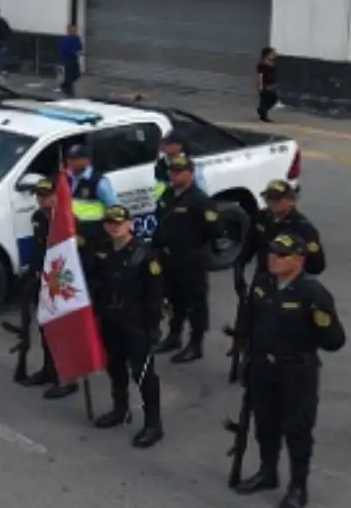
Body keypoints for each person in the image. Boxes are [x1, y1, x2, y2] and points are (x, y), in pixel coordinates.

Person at [233, 231, 346, 508]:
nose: (274, 258)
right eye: (272, 252)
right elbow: (249, 320)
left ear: (299, 260)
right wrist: (245, 355)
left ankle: (298, 487)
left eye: (282, 255)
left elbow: (334, 340)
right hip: (262, 366)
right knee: (265, 424)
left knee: (297, 429)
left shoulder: (313, 294)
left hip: (296, 370)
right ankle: (267, 471)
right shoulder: (262, 283)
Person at [86, 206, 166, 450]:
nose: (114, 226)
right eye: (110, 222)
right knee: (115, 367)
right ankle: (120, 410)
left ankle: (153, 424)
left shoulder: (145, 254)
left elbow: (154, 295)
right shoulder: (102, 250)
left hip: (136, 323)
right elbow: (94, 281)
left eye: (119, 222)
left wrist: (153, 328)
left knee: (142, 374)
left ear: (130, 224)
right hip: (110, 320)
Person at [152, 154, 225, 365]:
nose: (175, 175)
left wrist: (197, 248)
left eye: (180, 172)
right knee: (174, 300)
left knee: (195, 303)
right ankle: (174, 336)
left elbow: (216, 230)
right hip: (168, 257)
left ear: (190, 174)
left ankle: (195, 344)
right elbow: (161, 223)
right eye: (172, 172)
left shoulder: (200, 200)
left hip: (190, 259)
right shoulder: (167, 194)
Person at [15, 179, 77, 398]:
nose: (42, 200)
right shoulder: (39, 217)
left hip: (64, 281)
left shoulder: (68, 221)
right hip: (44, 279)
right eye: (39, 196)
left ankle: (68, 378)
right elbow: (39, 248)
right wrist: (32, 274)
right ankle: (49, 370)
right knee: (47, 328)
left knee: (64, 331)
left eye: (46, 196)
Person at [59, 25, 84, 96]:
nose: (73, 32)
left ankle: (64, 85)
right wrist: (62, 60)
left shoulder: (77, 38)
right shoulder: (66, 40)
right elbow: (63, 50)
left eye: (74, 30)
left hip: (74, 59)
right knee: (69, 75)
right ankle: (69, 91)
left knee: (76, 74)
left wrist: (79, 51)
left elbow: (80, 46)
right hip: (68, 59)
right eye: (72, 30)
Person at [256, 47, 279, 123]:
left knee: (272, 98)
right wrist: (260, 86)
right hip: (265, 84)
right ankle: (262, 113)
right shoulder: (262, 65)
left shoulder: (272, 63)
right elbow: (260, 76)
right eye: (272, 53)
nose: (274, 55)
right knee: (266, 99)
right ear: (267, 54)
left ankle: (262, 113)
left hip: (271, 84)